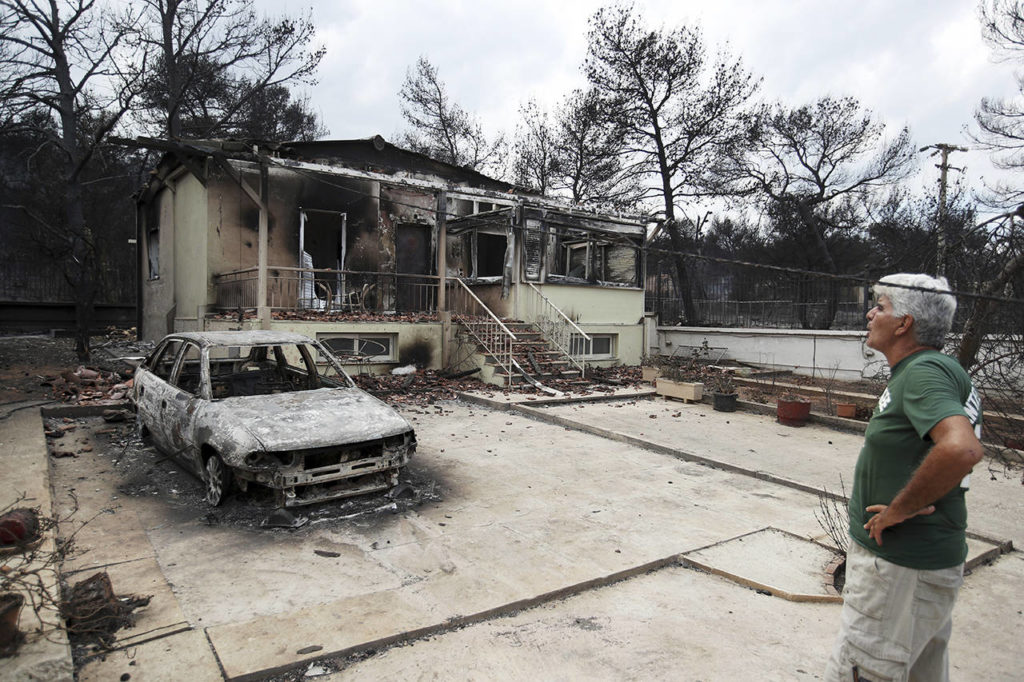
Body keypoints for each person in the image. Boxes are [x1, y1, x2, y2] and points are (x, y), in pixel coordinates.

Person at [825, 273, 984, 682]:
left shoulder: (923, 373)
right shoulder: (930, 370)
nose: (870, 313)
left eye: (880, 306)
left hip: (898, 575)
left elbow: (960, 448)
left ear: (904, 324)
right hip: (916, 572)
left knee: (865, 669)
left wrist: (901, 508)